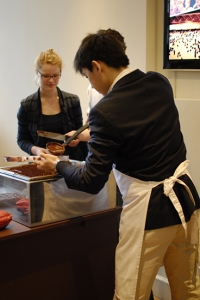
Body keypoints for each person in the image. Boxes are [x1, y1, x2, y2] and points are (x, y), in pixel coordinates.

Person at [35, 31, 200, 300]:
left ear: (97, 66)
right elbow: (140, 132)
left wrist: (58, 165)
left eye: (88, 76)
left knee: (129, 294)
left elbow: (90, 180)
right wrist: (93, 135)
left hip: (150, 212)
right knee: (188, 288)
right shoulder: (159, 82)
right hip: (187, 203)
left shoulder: (106, 110)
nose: (92, 84)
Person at [17, 48, 88, 161]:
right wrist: (36, 150)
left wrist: (77, 140)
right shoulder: (27, 105)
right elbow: (22, 140)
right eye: (46, 76)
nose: (51, 80)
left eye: (55, 75)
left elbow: (80, 135)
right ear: (37, 73)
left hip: (71, 165)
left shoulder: (72, 101)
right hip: (42, 164)